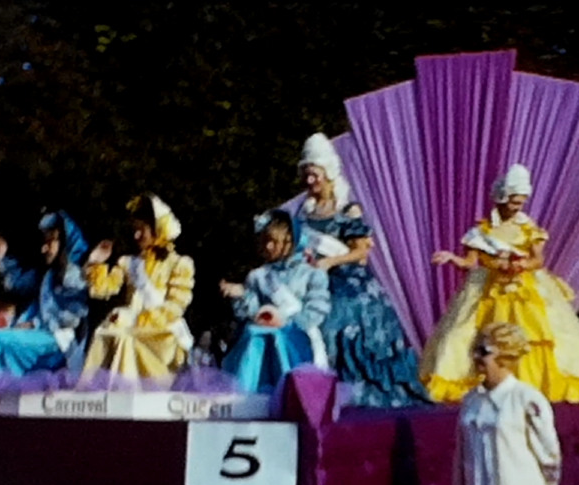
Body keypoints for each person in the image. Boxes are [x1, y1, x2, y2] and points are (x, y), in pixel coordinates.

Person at [420, 163, 579, 405]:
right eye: (513, 201)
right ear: (501, 198)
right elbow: (470, 262)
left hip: (523, 289)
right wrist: (452, 258)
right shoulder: (482, 231)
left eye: (520, 202)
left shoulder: (528, 228)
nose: (517, 206)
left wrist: (520, 265)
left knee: (537, 333)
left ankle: (532, 384)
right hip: (488, 290)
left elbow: (538, 259)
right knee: (464, 332)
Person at [295, 132, 430, 408]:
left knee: (333, 322)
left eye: (314, 175)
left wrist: (329, 262)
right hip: (310, 279)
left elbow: (361, 252)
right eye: (306, 175)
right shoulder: (303, 211)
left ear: (328, 173)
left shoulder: (347, 209)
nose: (310, 181)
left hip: (348, 282)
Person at [80, 193, 195, 388]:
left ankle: (126, 392)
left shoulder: (179, 264)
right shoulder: (128, 263)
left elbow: (175, 306)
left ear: (158, 229)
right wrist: (95, 262)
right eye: (135, 230)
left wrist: (138, 319)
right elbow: (102, 289)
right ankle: (93, 394)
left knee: (125, 338)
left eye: (142, 230)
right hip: (133, 324)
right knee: (103, 333)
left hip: (162, 331)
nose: (136, 236)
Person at [453, 322, 561, 485]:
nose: (476, 357)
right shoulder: (470, 402)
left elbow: (549, 455)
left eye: (484, 351)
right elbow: (461, 460)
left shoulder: (527, 399)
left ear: (505, 355)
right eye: (474, 350)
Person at [220, 209, 331, 393]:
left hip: (297, 345)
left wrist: (285, 322)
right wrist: (242, 296)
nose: (268, 247)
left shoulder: (312, 274)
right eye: (265, 241)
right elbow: (248, 313)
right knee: (252, 334)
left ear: (289, 241)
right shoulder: (258, 276)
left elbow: (316, 311)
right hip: (261, 346)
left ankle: (293, 393)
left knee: (281, 337)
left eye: (273, 241)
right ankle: (248, 393)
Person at [0, 211, 89, 377]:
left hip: (59, 342)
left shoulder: (74, 277)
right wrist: (1, 257)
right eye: (44, 242)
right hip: (42, 333)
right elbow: (16, 283)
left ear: (63, 243)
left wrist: (35, 324)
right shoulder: (48, 275)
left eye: (50, 242)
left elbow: (71, 319)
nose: (43, 248)